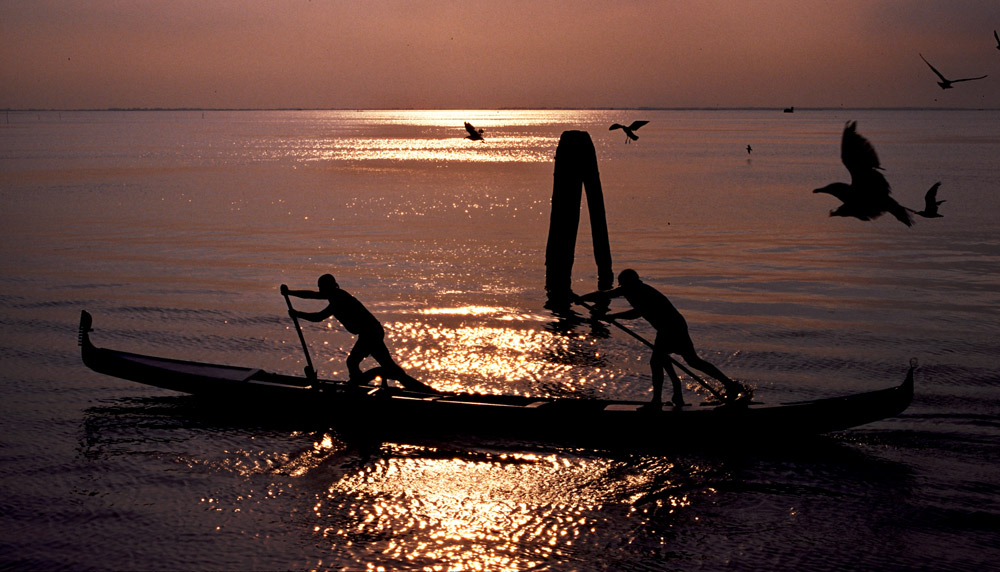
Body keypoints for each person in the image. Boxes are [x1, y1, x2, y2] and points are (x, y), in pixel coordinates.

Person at [578, 268, 747, 407]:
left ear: (634, 283)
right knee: (678, 360)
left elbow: (637, 313)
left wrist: (613, 317)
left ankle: (657, 401)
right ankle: (682, 390)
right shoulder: (627, 289)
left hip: (672, 327)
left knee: (674, 361)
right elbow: (604, 294)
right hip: (669, 328)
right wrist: (581, 298)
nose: (624, 290)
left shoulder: (643, 292)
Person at [281, 274, 434, 392]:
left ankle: (358, 386)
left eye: (322, 288)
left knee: (352, 362)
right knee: (392, 369)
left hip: (370, 333)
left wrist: (298, 314)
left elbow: (318, 317)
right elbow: (312, 294)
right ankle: (427, 391)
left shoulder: (339, 299)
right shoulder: (334, 294)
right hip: (371, 332)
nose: (321, 292)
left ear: (330, 287)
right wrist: (290, 292)